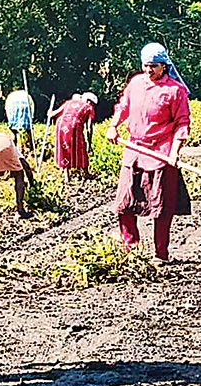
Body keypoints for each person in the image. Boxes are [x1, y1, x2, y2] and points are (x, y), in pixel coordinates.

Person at [106, 43, 191, 263]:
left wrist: (175, 151)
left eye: (153, 66)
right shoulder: (135, 84)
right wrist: (114, 126)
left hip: (160, 153)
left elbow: (182, 123)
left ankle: (161, 254)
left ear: (164, 66)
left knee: (160, 208)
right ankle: (130, 249)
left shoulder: (175, 91)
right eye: (145, 65)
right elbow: (123, 106)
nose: (149, 70)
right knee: (124, 203)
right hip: (134, 148)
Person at [50, 92, 97, 182]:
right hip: (74, 126)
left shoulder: (69, 102)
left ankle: (67, 176)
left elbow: (53, 114)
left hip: (60, 125)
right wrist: (89, 142)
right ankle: (86, 173)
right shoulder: (89, 107)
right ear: (89, 101)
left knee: (64, 148)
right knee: (81, 147)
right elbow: (89, 127)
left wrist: (49, 113)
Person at [4, 89, 34, 153]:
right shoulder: (25, 96)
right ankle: (30, 148)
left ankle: (14, 149)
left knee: (14, 133)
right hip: (25, 108)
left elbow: (7, 109)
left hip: (13, 109)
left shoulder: (12, 97)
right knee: (29, 132)